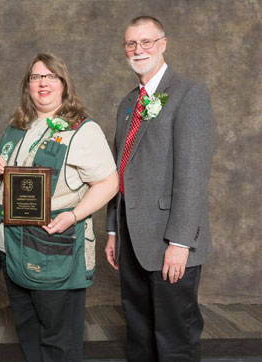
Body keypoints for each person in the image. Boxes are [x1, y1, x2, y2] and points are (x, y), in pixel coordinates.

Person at [0, 53, 119, 362]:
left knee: (60, 342)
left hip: (55, 252)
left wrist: (73, 215)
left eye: (50, 77)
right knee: (29, 334)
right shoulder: (17, 126)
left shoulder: (83, 130)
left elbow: (109, 183)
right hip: (14, 253)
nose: (42, 83)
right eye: (35, 77)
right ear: (27, 85)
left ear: (63, 84)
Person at [105, 16, 215, 362]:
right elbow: (118, 170)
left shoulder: (188, 94)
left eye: (147, 42)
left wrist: (180, 243)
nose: (139, 50)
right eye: (131, 44)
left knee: (175, 340)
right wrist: (112, 230)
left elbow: (192, 174)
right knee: (139, 335)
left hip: (170, 242)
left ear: (163, 44)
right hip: (131, 241)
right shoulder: (127, 104)